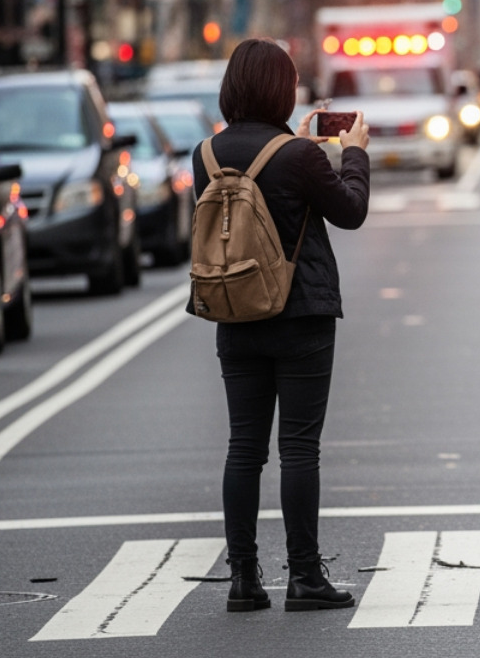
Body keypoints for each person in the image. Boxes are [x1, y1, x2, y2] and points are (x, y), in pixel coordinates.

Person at [188, 38, 371, 613]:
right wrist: (354, 152)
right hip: (301, 315)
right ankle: (304, 577)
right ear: (281, 89)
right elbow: (351, 211)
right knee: (298, 448)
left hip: (235, 312)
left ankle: (243, 578)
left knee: (244, 446)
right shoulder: (298, 154)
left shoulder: (206, 155)